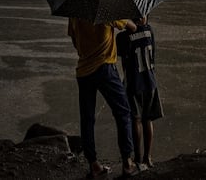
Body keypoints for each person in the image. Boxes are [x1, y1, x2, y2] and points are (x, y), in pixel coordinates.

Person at [68, 17, 141, 178]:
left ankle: (94, 164)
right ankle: (127, 162)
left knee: (87, 119)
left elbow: (75, 42)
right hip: (105, 67)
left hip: (83, 70)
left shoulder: (75, 14)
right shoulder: (106, 10)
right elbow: (133, 27)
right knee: (123, 113)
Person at [116, 15, 163, 169]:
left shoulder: (123, 37)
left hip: (134, 83)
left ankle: (137, 157)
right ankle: (147, 157)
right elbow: (153, 56)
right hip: (150, 81)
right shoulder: (150, 30)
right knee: (147, 119)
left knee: (135, 120)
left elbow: (122, 59)